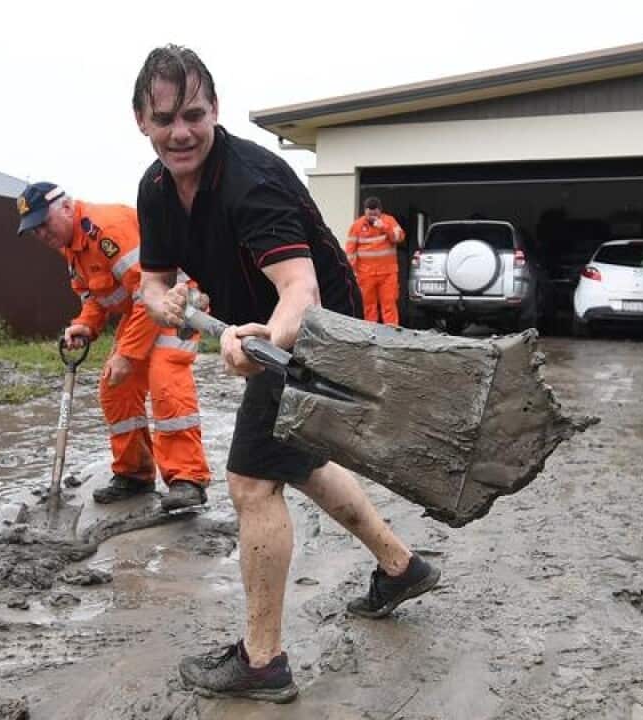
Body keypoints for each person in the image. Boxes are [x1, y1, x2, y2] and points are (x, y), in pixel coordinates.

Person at [133, 45, 442, 703]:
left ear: (214, 110)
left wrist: (260, 339)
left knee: (250, 480)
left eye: (193, 114)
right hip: (265, 334)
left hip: (321, 331)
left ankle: (263, 661)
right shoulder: (156, 190)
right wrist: (163, 300)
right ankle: (401, 566)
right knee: (294, 463)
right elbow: (154, 283)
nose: (180, 132)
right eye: (164, 119)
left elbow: (299, 292)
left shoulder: (250, 181)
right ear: (142, 121)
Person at [16, 181, 212, 510]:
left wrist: (128, 354)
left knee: (165, 375)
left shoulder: (107, 228)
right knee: (114, 386)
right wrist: (85, 325)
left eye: (43, 224)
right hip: (142, 310)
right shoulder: (71, 249)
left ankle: (187, 479)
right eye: (34, 230)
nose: (42, 235)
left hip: (179, 299)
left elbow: (149, 291)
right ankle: (135, 475)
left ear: (65, 208)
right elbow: (94, 298)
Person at [345, 196, 406, 325]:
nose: (372, 216)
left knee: (389, 304)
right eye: (369, 213)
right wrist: (352, 272)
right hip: (365, 274)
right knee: (369, 307)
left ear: (380, 211)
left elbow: (399, 237)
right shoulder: (357, 226)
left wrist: (385, 227)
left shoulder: (389, 221)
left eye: (375, 213)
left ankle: (392, 334)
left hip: (388, 273)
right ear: (365, 211)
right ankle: (371, 334)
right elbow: (350, 251)